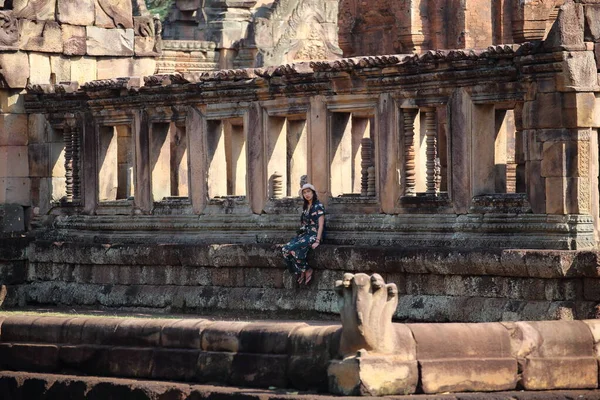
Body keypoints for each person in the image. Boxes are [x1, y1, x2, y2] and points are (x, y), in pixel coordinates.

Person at [282, 183, 325, 285]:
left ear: (313, 193)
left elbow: (321, 225)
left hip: (313, 235)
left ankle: (306, 269)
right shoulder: (305, 208)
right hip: (304, 235)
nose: (307, 194)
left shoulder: (318, 206)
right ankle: (302, 270)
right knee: (285, 249)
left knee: (292, 249)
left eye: (309, 192)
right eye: (304, 192)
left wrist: (318, 240)